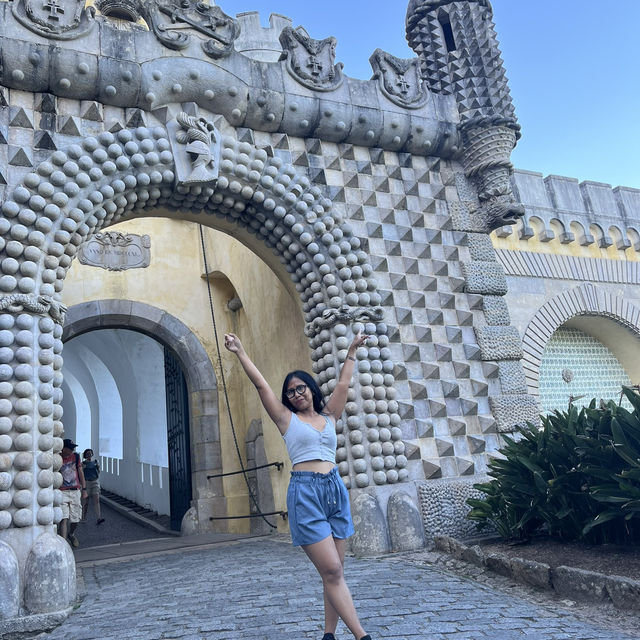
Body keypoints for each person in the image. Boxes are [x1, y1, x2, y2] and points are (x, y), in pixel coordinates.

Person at [224, 331, 373, 640]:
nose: (295, 394)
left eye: (300, 388)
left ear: (311, 388)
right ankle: (362, 636)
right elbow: (261, 385)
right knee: (331, 571)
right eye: (290, 392)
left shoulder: (330, 414)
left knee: (334, 573)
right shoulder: (285, 419)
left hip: (334, 490)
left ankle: (329, 635)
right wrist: (240, 351)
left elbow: (344, 384)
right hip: (305, 493)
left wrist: (352, 351)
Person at [58, 438, 87, 548]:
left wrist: (84, 489)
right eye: (70, 448)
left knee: (75, 519)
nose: (72, 450)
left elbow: (80, 472)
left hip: (75, 491)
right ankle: (64, 544)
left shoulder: (75, 457)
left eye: (72, 448)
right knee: (63, 518)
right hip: (63, 492)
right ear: (63, 449)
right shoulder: (58, 458)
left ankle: (71, 534)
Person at [82, 449, 105, 525]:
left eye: (90, 453)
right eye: (87, 454)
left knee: (97, 500)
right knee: (86, 502)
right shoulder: (83, 464)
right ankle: (83, 517)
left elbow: (98, 472)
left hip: (95, 482)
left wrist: (98, 467)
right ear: (85, 455)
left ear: (92, 454)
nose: (89, 455)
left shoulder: (95, 462)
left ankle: (99, 518)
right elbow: (81, 474)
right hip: (87, 483)